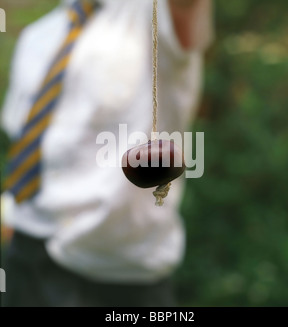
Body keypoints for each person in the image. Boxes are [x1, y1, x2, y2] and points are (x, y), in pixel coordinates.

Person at [1, 0, 213, 307]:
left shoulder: (150, 12)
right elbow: (30, 144)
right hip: (25, 255)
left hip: (115, 278)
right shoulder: (38, 36)